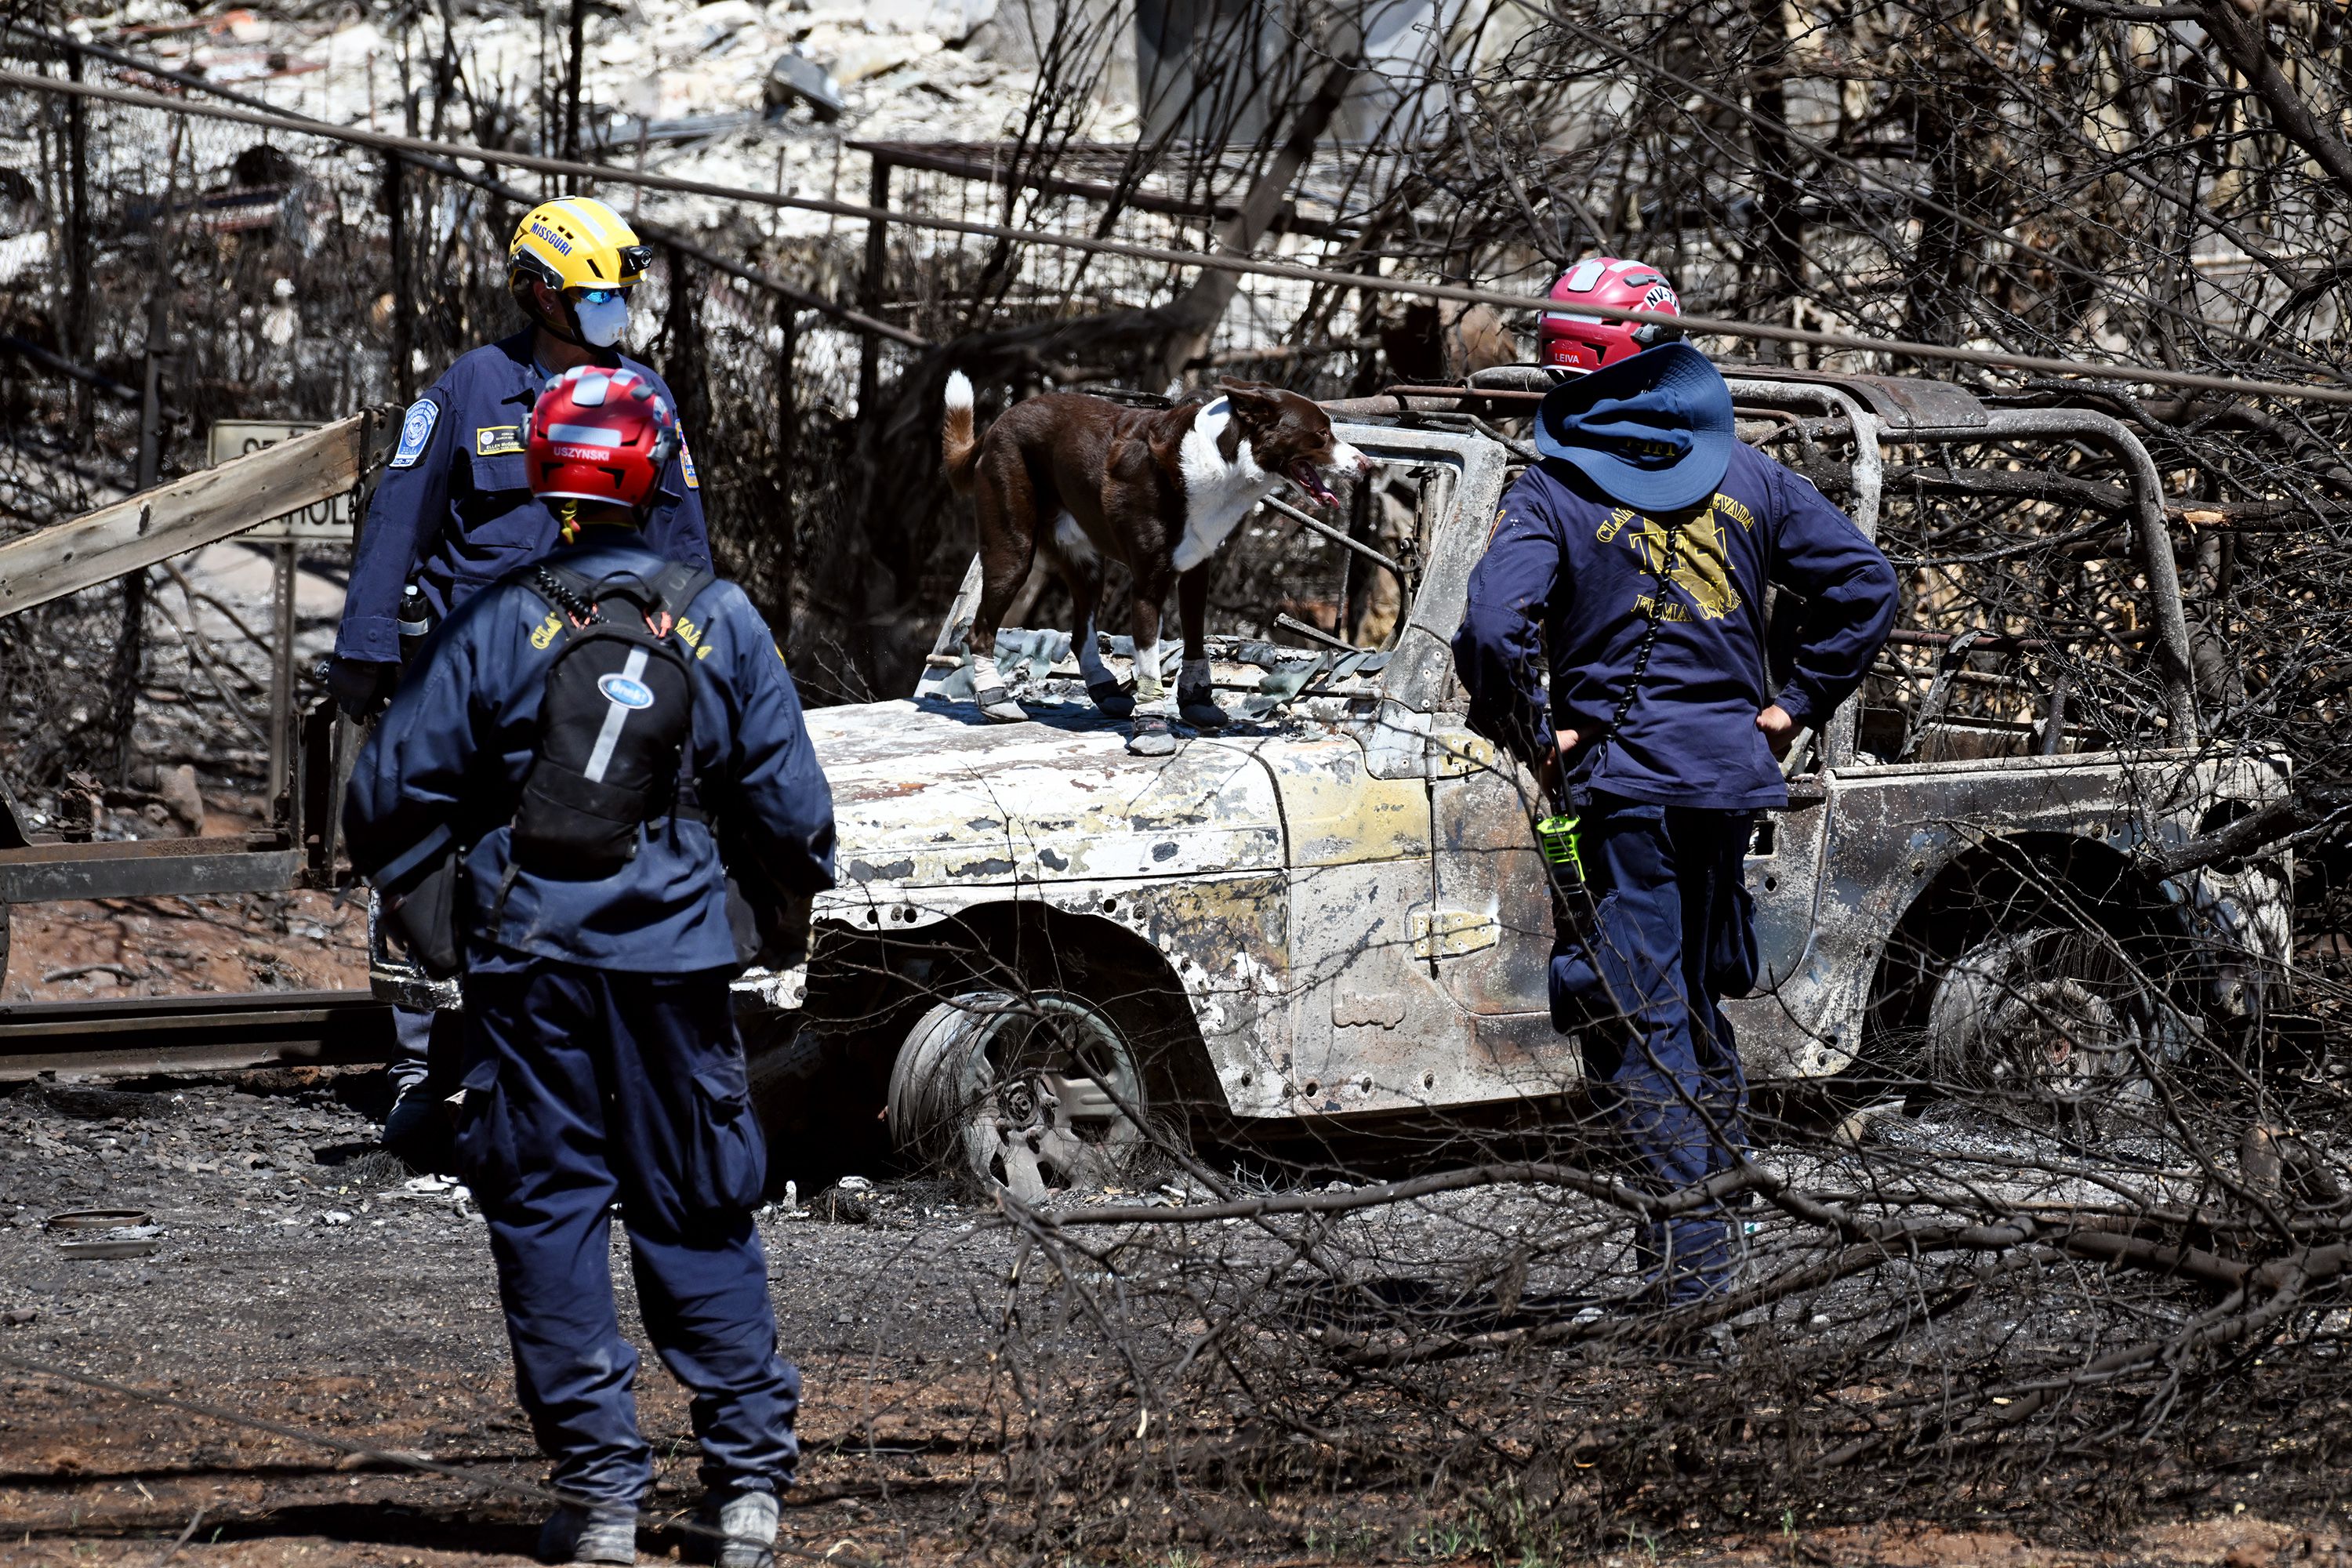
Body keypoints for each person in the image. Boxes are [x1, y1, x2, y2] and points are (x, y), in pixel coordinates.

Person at [345, 366, 833, 1566]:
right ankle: (747, 1489)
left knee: (547, 1205)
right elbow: (796, 813)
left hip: (530, 963)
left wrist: (448, 927)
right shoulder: (724, 620)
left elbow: (387, 794)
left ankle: (602, 1492)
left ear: (544, 476)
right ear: (655, 470)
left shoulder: (497, 619)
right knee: (700, 1199)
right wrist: (754, 918)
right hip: (675, 963)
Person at [1451, 332, 1896, 1305]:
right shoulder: (1752, 475)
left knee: (1639, 1024)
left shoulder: (1553, 487)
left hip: (1620, 795)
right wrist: (1794, 707)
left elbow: (1491, 625)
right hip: (1725, 789)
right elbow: (1869, 582)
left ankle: (1694, 1281)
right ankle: (1719, 1250)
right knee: (1694, 1009)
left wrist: (1535, 731)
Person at [332, 195, 714, 1157]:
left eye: (621, 293)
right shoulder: (467, 392)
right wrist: (368, 653)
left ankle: (535, 1091)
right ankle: (424, 1071)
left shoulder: (648, 402)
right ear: (539, 294)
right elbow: (396, 529)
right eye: (594, 295)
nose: (613, 311)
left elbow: (685, 550)